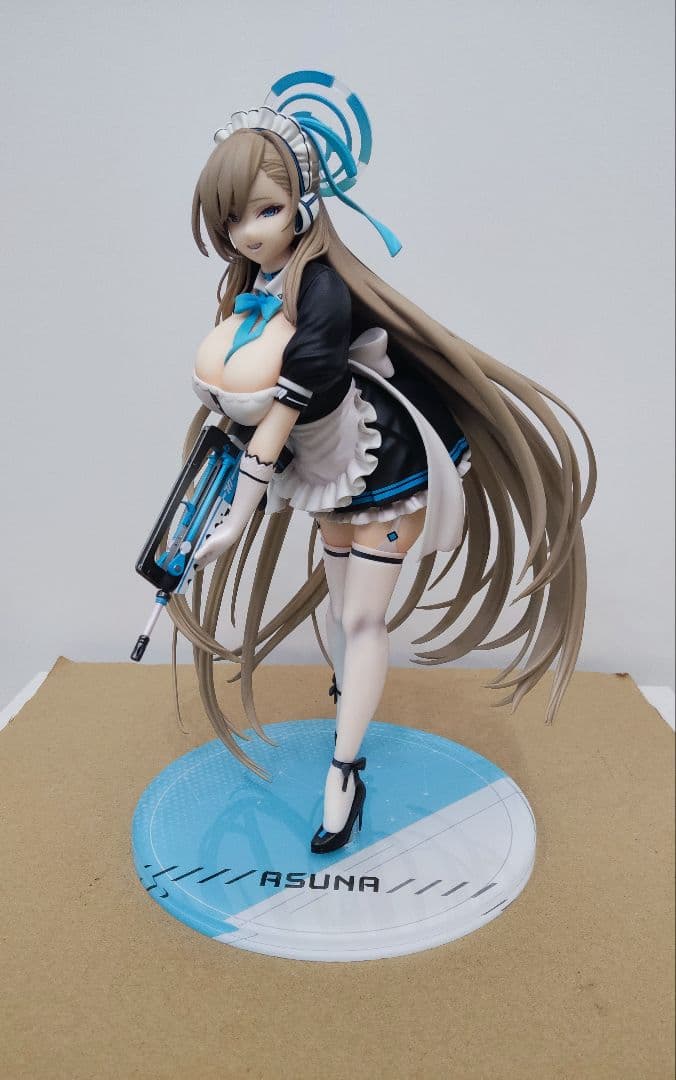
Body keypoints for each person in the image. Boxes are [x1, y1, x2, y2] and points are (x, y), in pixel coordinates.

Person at [168, 72, 595, 854]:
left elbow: (287, 403)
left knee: (362, 618)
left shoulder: (323, 290)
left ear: (303, 203)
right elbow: (250, 402)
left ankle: (344, 771)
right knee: (341, 611)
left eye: (265, 211)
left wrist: (238, 512)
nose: (248, 233)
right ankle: (349, 702)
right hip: (326, 466)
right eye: (231, 219)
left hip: (381, 465)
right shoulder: (254, 286)